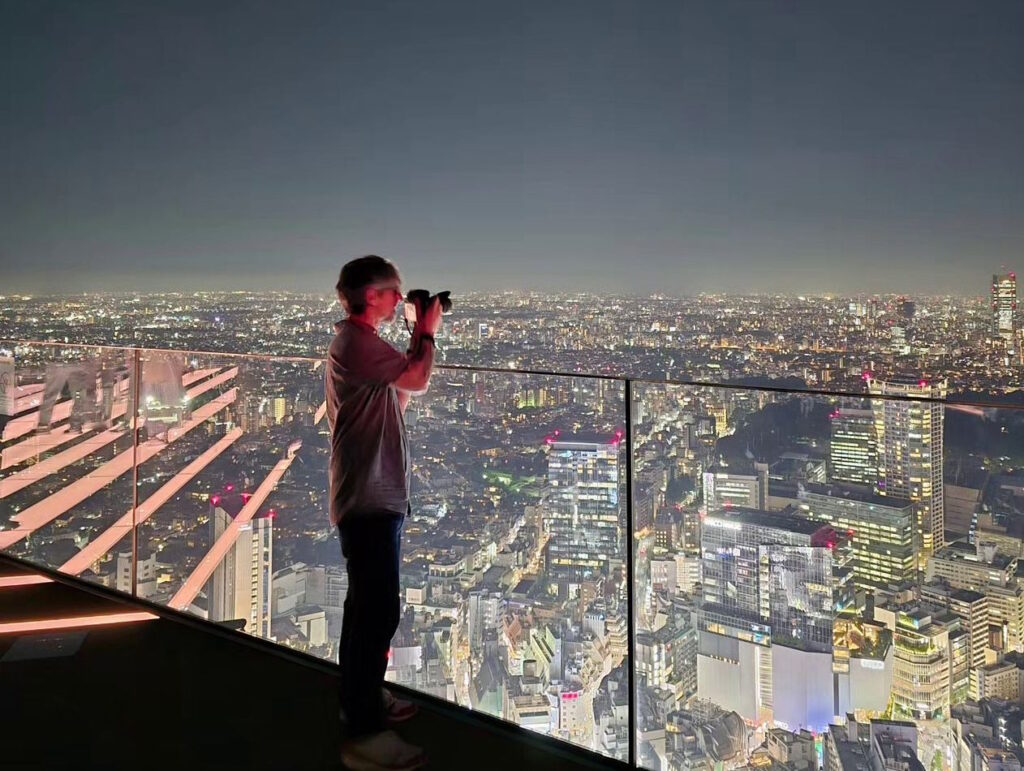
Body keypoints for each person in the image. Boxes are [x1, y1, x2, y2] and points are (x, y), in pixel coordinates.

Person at [325, 255, 441, 771]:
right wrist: (428, 330)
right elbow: (415, 380)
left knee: (364, 609)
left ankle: (364, 701)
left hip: (373, 490)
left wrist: (416, 331)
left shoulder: (360, 342)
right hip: (368, 494)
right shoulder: (356, 343)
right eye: (393, 292)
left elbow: (401, 388)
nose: (400, 299)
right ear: (371, 295)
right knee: (377, 612)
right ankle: (364, 736)